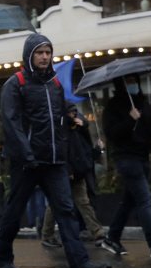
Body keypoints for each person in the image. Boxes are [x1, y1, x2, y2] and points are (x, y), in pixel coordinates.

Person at [0, 34, 112, 268]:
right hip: (26, 162)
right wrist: (27, 154)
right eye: (40, 52)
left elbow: (60, 124)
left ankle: (80, 265)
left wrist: (72, 138)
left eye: (48, 52)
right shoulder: (15, 84)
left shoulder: (55, 85)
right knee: (14, 211)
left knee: (67, 211)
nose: (45, 57)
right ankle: (4, 260)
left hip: (55, 161)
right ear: (29, 55)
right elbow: (11, 123)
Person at [99, 74, 151, 257]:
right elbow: (112, 134)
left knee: (129, 200)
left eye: (134, 80)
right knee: (143, 197)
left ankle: (112, 237)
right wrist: (130, 119)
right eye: (127, 81)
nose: (132, 84)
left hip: (142, 158)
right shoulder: (113, 106)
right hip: (126, 159)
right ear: (120, 83)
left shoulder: (143, 104)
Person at [40, 103, 106, 249]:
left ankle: (98, 233)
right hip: (66, 173)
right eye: (71, 112)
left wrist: (85, 131)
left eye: (75, 112)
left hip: (77, 173)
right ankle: (47, 235)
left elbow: (84, 150)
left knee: (83, 203)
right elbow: (62, 151)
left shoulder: (77, 129)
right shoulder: (62, 129)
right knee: (56, 204)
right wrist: (68, 170)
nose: (74, 114)